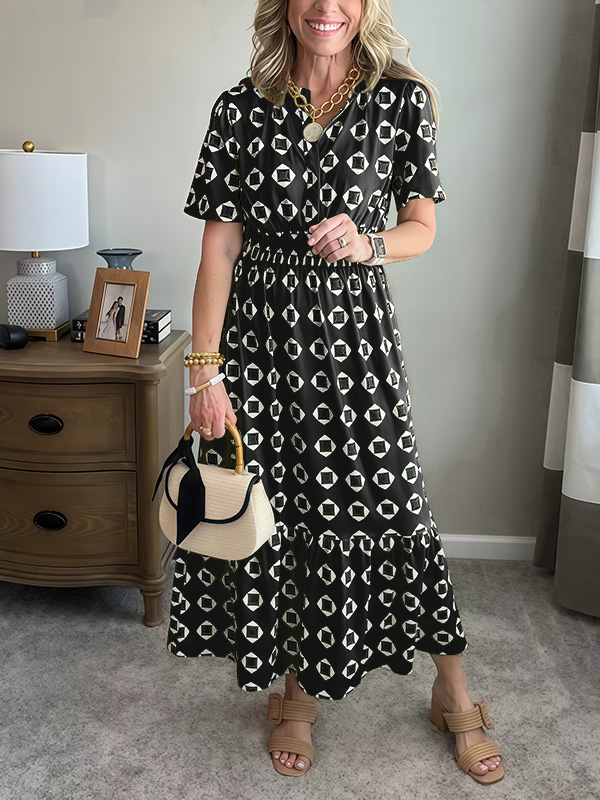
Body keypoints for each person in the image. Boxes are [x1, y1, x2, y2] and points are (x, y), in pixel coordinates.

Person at [167, 0, 504, 784]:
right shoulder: (240, 107)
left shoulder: (400, 99)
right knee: (281, 513)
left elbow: (421, 226)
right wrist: (204, 373)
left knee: (397, 505)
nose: (326, 7)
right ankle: (297, 693)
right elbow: (219, 248)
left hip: (355, 342)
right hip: (259, 345)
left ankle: (452, 690)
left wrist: (367, 241)